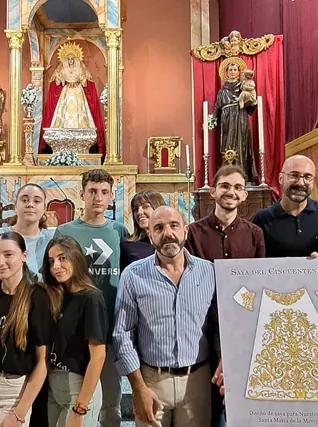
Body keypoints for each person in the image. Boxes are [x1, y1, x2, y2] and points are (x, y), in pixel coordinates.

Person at [113, 206, 216, 427]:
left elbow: (219, 327)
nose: (167, 233)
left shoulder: (209, 272)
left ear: (185, 231)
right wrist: (138, 388)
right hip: (152, 380)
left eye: (174, 225)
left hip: (196, 380)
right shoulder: (133, 275)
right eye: (158, 228)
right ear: (150, 236)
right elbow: (123, 334)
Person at [184, 165, 264, 427]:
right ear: (213, 191)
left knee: (241, 407)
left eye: (238, 187)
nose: (231, 192)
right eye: (225, 186)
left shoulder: (254, 234)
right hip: (203, 328)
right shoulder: (193, 233)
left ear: (244, 196)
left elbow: (259, 283)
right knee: (208, 407)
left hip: (242, 328)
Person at [54, 169, 127, 427]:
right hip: (74, 327)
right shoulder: (64, 230)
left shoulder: (119, 231)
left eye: (104, 192)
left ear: (111, 197)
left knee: (111, 400)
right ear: (81, 194)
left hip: (108, 325)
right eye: (93, 191)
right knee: (74, 395)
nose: (98, 197)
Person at [0, 232, 54, 426]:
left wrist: (19, 412)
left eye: (8, 255)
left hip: (14, 387)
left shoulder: (37, 297)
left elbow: (42, 362)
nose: (0, 262)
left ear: (24, 256)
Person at [43, 236, 108, 427]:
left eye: (63, 258)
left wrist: (80, 407)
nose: (56, 266)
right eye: (51, 261)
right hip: (54, 383)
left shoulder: (91, 298)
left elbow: (98, 356)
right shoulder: (56, 295)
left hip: (79, 385)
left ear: (76, 258)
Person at [0, 183, 55, 289]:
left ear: (44, 209)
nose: (30, 204)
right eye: (24, 200)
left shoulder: (52, 240)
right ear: (15, 206)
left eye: (37, 201)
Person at [213, 58, 257, 183]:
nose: (232, 72)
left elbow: (252, 104)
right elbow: (217, 107)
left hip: (240, 118)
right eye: (230, 70)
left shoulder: (243, 87)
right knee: (227, 146)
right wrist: (212, 120)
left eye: (234, 70)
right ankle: (227, 176)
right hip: (226, 121)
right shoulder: (222, 91)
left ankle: (242, 175)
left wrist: (250, 100)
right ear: (226, 73)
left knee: (241, 145)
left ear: (239, 72)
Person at [120, 190, 165, 270]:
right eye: (136, 209)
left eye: (145, 207)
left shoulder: (172, 241)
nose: (139, 212)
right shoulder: (128, 245)